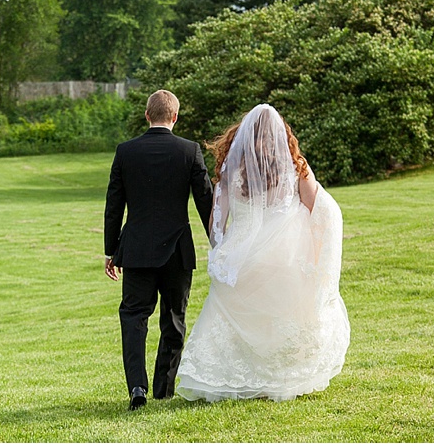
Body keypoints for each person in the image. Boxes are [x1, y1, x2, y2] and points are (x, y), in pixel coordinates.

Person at [175, 104, 350, 402]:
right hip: (285, 256)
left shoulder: (233, 166)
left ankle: (233, 377)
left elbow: (218, 216)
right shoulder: (295, 165)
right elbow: (318, 207)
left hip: (241, 256)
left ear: (243, 135)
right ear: (282, 134)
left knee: (236, 316)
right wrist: (314, 246)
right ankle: (278, 378)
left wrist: (219, 251)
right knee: (279, 314)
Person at [103, 89, 214, 410]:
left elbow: (114, 205)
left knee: (134, 317)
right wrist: (219, 242)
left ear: (147, 115)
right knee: (174, 318)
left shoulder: (125, 152)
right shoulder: (190, 151)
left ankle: (137, 387)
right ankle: (163, 389)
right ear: (175, 117)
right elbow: (206, 200)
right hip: (177, 251)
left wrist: (111, 250)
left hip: (136, 250)